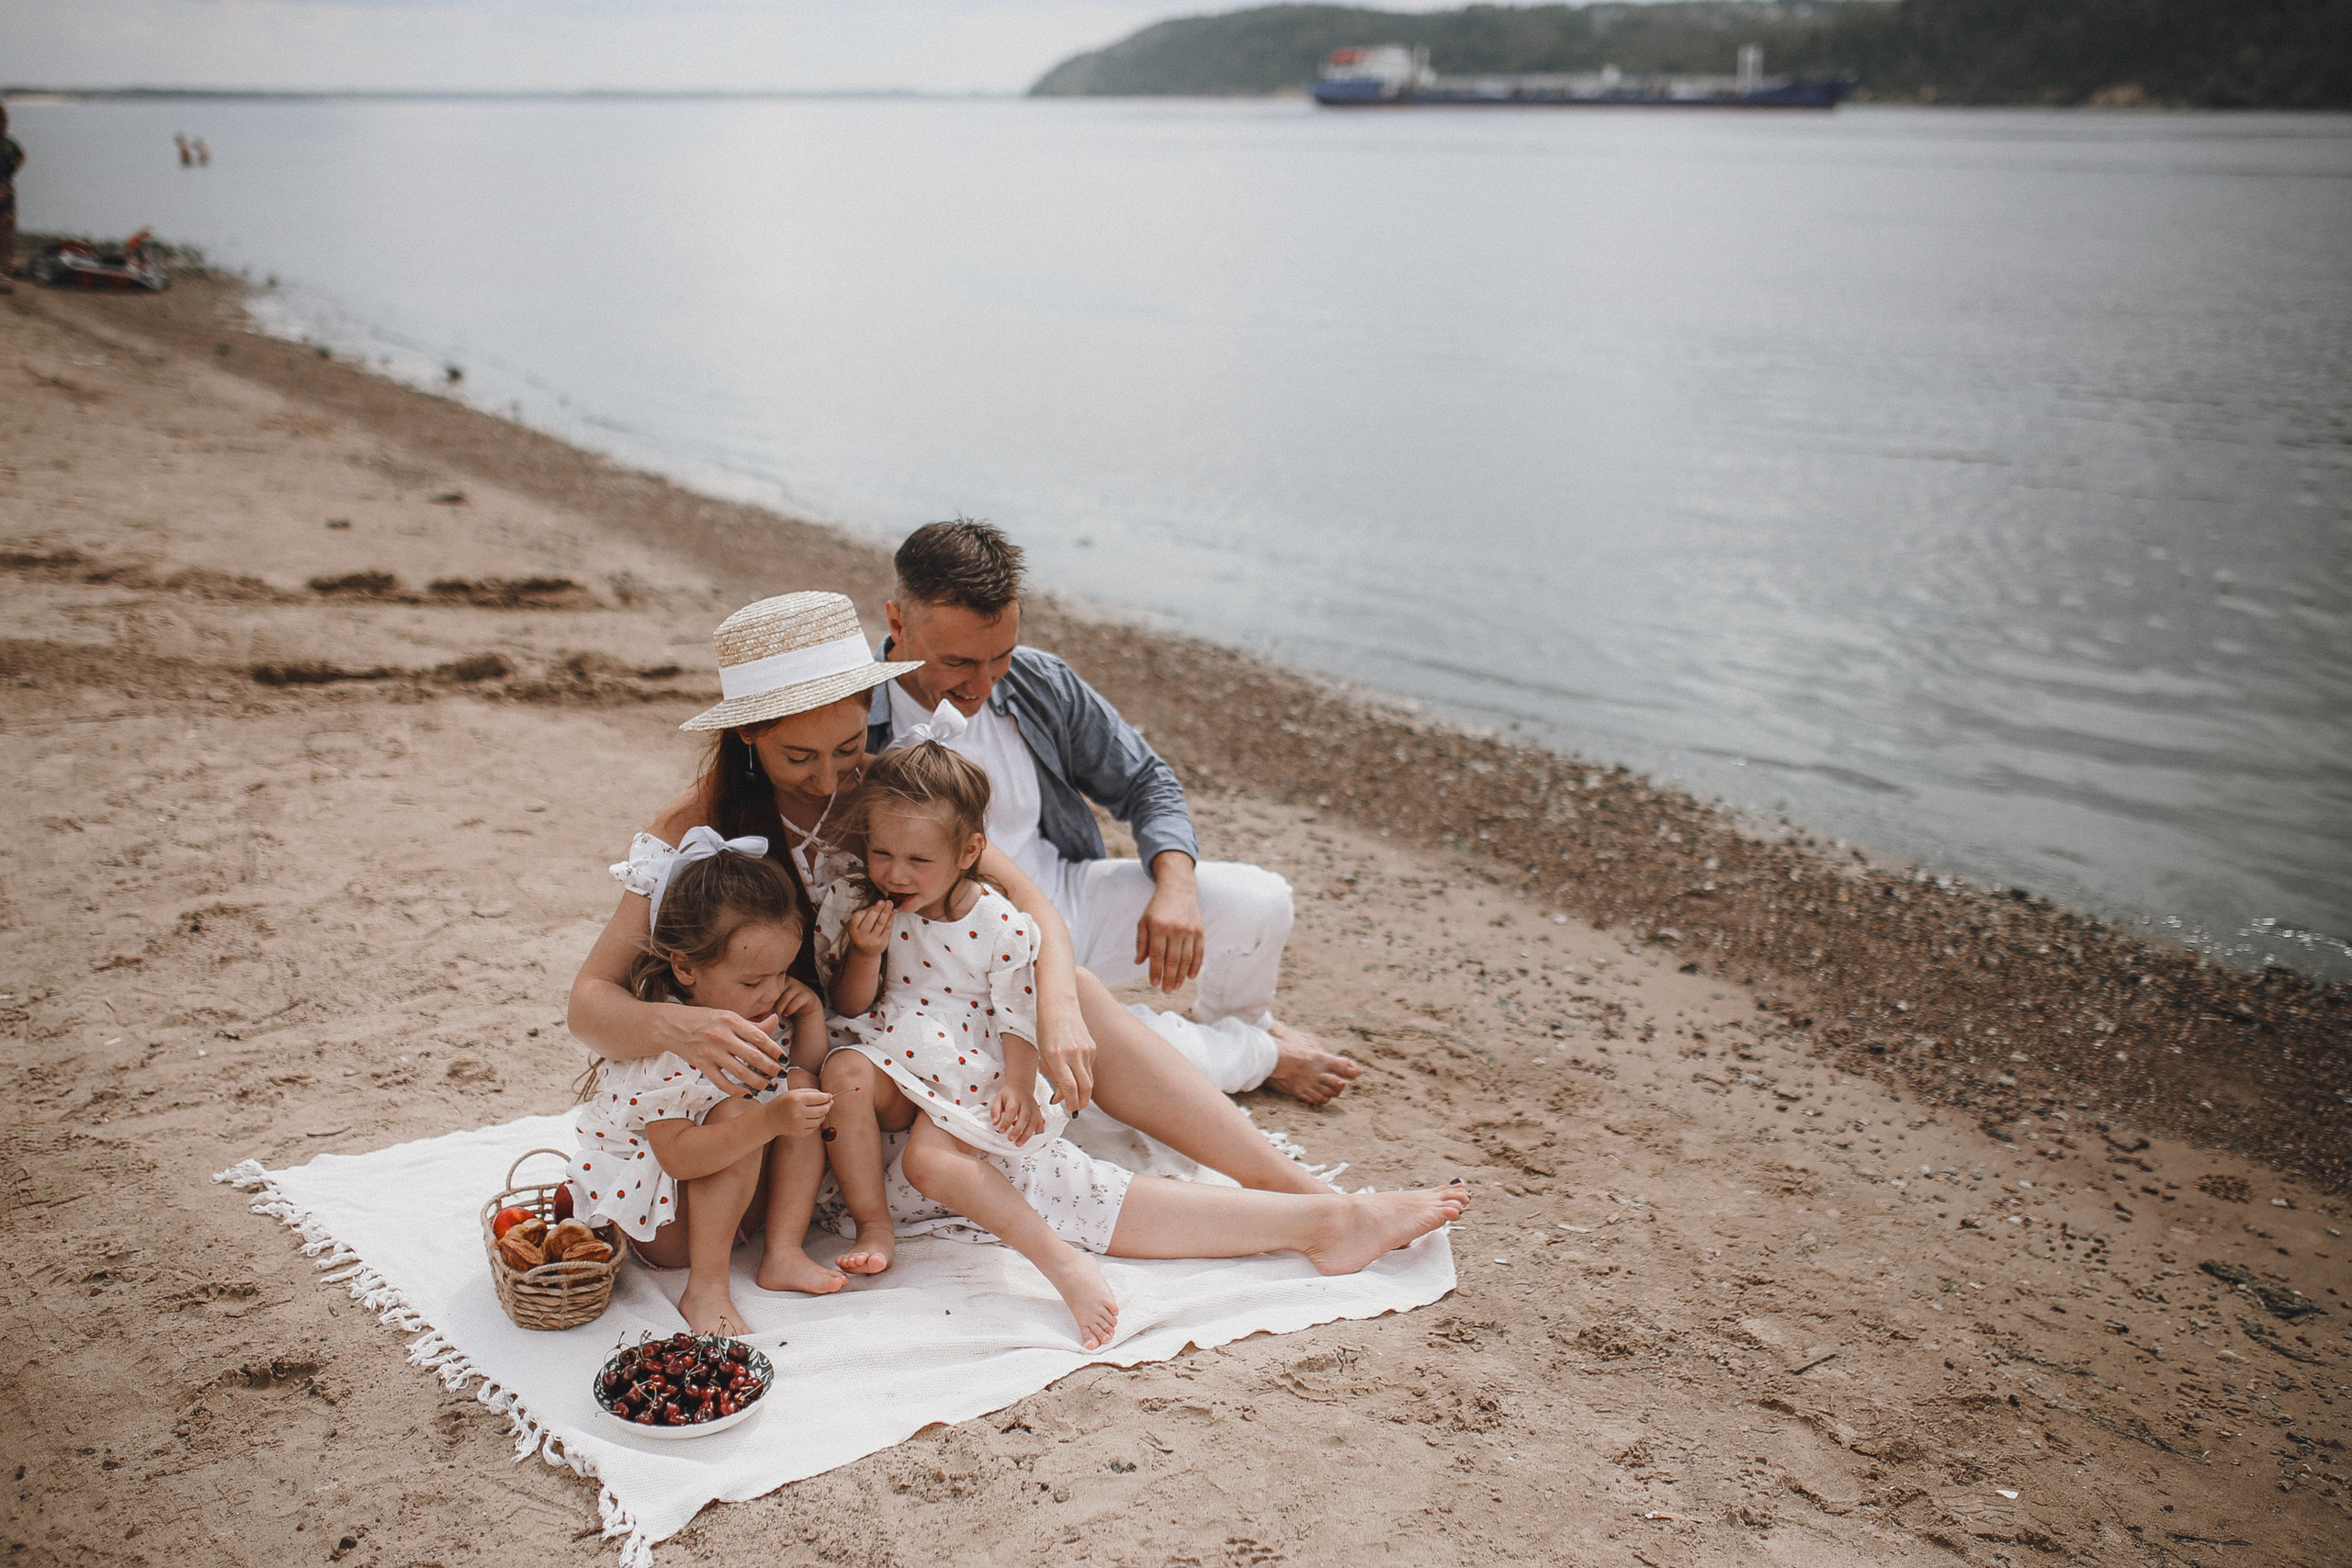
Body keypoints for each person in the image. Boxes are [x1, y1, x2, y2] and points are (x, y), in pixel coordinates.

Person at [566, 592, 1341, 1272]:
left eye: (845, 747)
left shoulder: (888, 785)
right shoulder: (690, 823)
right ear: (747, 738)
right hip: (795, 1059)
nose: (831, 778)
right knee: (668, 1241)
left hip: (903, 1028)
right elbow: (588, 1001)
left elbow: (1031, 903)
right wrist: (685, 1024)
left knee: (1073, 992)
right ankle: (1257, 1061)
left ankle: (1301, 1194)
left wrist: (1061, 1006)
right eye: (798, 756)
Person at [818, 742, 1468, 1349]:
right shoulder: (881, 851)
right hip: (881, 1075)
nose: (897, 874)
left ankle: (1300, 1190)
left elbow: (1027, 934)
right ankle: (1319, 1214)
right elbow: (857, 1000)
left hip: (962, 1060)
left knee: (1075, 1008)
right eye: (885, 856)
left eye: (849, 740)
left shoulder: (921, 812)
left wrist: (1045, 1036)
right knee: (1030, 1172)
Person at [872, 520, 1360, 1104]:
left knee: (1263, 902)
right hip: (968, 958)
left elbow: (1147, 780)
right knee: (1096, 1067)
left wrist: (1175, 886)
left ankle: (1240, 1026)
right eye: (959, 662)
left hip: (1069, 897)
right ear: (898, 621)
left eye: (998, 654)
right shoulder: (856, 727)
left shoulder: (1035, 679)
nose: (984, 681)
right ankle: (1264, 1053)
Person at [568, 839, 839, 1334]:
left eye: (782, 972)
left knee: (801, 1087)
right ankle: (706, 1288)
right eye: (754, 980)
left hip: (733, 1203)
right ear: (686, 968)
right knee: (738, 1115)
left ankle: (782, 1251)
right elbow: (679, 1158)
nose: (773, 991)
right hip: (666, 1220)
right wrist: (768, 1121)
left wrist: (812, 1018)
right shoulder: (670, 1046)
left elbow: (796, 1075)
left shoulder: (753, 1009)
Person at [1, 106, 23, 292]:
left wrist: (11, 174)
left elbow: (21, 156)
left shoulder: (9, 144)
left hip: (7, 195)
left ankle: (7, 269)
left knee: (7, 234)